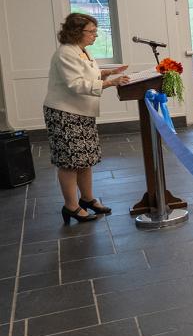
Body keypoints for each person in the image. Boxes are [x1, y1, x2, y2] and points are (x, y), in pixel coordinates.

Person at [43, 13, 130, 224]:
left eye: (94, 31)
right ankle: (71, 207)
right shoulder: (65, 53)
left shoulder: (81, 51)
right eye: (91, 31)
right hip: (64, 114)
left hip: (81, 112)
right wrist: (111, 82)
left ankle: (88, 199)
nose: (95, 35)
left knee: (85, 160)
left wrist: (107, 72)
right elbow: (75, 84)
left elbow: (86, 75)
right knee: (69, 162)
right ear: (76, 32)